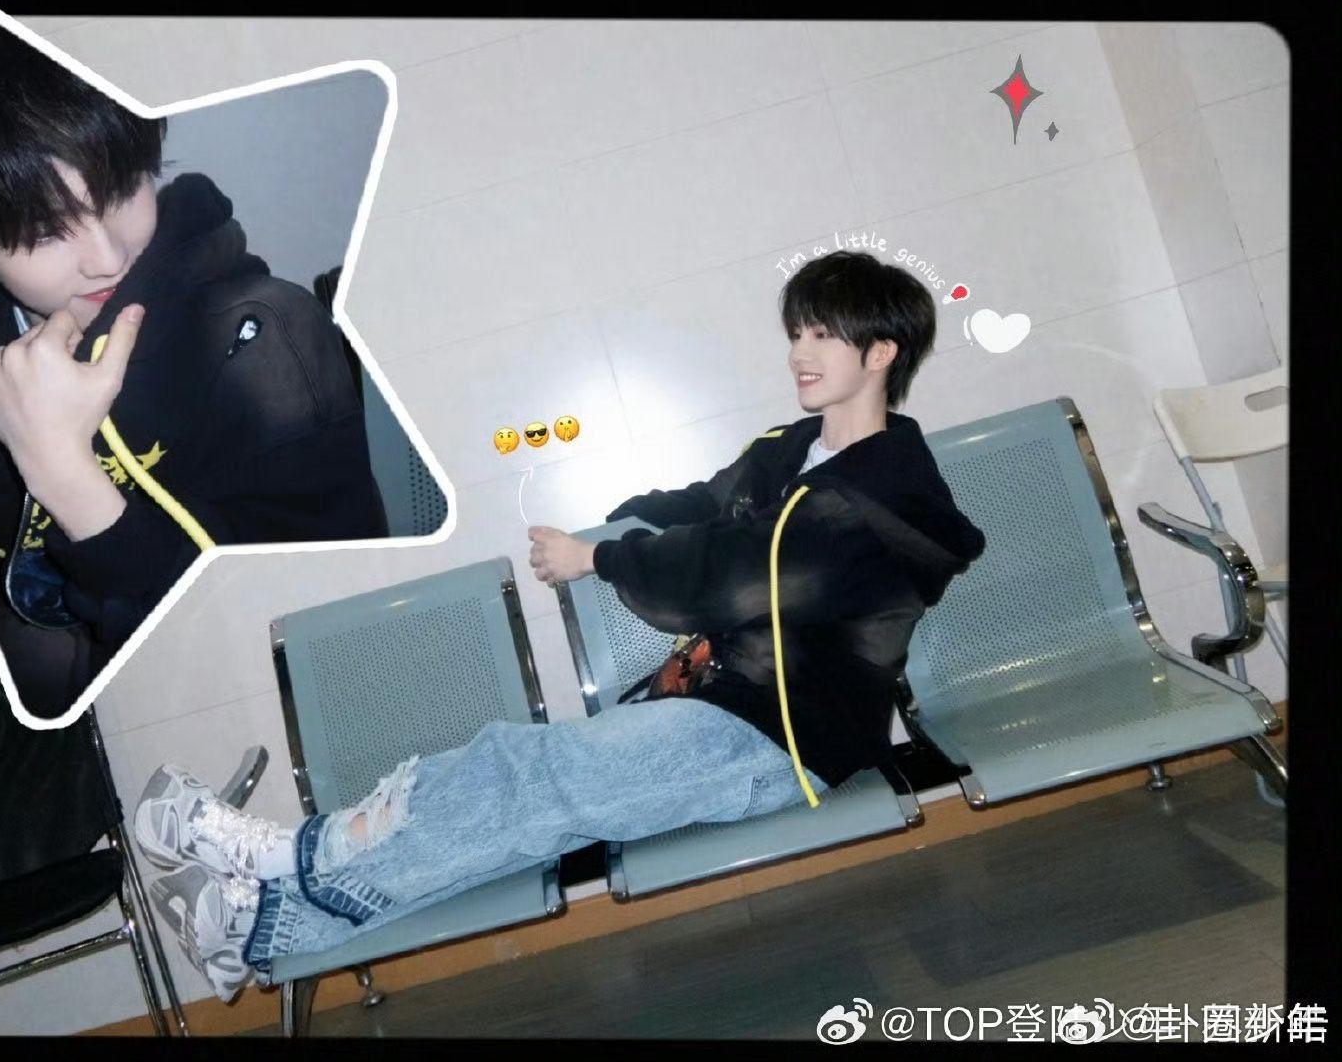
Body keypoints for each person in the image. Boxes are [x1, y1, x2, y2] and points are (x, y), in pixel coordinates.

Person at [134, 250, 988, 1002]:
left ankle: (285, 860)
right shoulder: (795, 448)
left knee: (530, 777)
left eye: (823, 335)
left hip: (785, 741)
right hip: (727, 706)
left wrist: (601, 559)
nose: (799, 351)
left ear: (881, 351)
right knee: (523, 801)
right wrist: (614, 526)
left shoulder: (881, 495)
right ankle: (266, 922)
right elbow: (702, 504)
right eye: (797, 331)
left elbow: (736, 572)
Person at [0, 1, 388, 720]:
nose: (107, 257)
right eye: (43, 231)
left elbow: (302, 637)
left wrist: (65, 475)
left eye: (119, 191)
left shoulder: (264, 340)